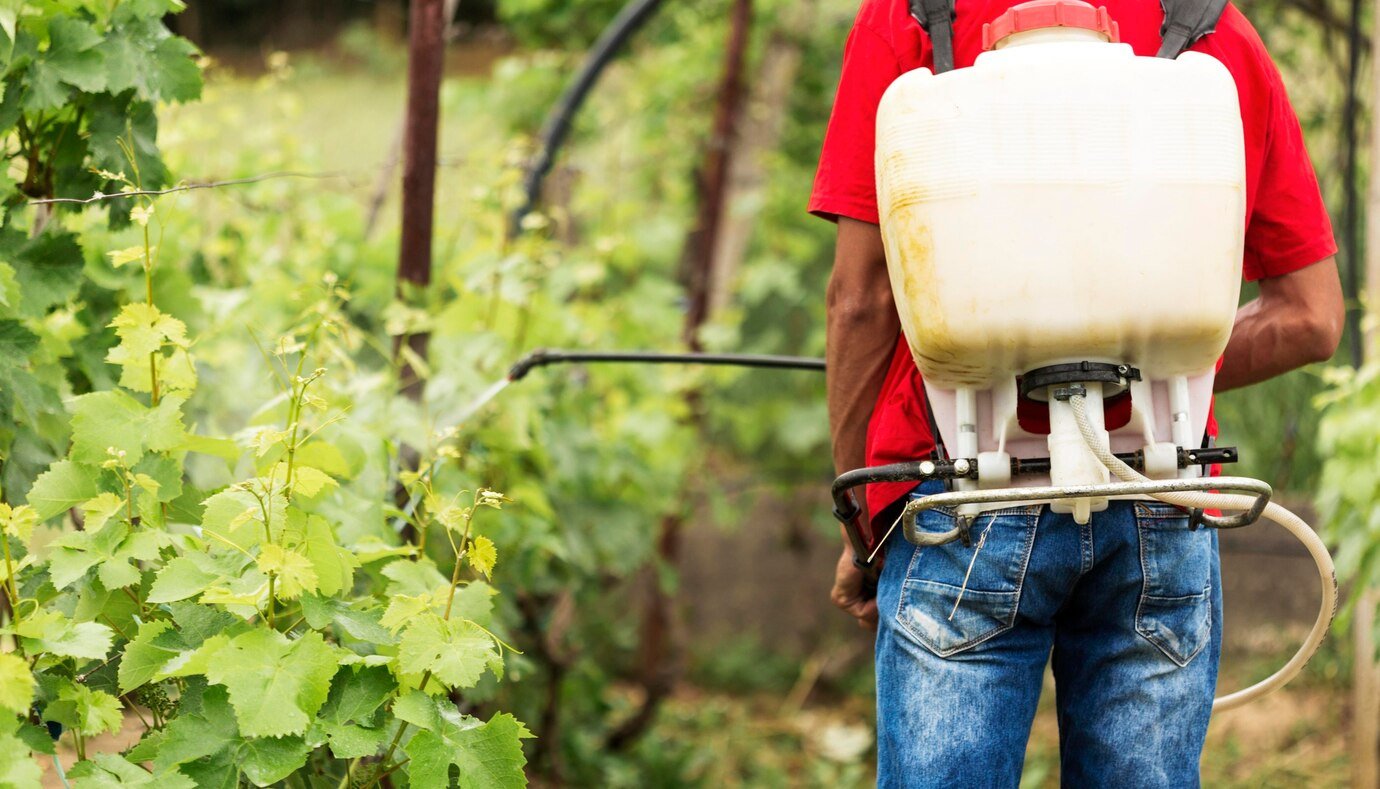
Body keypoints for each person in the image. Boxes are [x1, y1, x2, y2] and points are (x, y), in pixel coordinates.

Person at [810, 0, 1345, 785]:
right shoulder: (1210, 26)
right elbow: (1312, 316)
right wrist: (1137, 366)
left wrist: (860, 519)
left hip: (960, 496)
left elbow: (863, 301)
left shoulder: (914, 18)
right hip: (1162, 490)